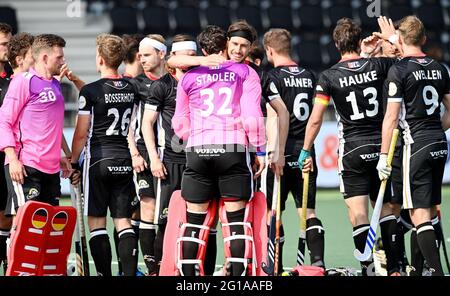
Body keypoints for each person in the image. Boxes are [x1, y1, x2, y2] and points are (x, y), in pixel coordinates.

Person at [299, 18, 400, 276]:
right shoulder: (379, 64)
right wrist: (389, 40)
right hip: (382, 146)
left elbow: (316, 118)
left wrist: (306, 148)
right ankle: (395, 267)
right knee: (388, 210)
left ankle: (367, 268)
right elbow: (401, 58)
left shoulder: (329, 76)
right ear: (358, 42)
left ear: (335, 44)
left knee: (358, 214)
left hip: (353, 150)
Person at [172, 25, 266, 276]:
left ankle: (189, 279)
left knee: (194, 222)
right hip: (233, 150)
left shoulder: (189, 77)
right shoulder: (245, 72)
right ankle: (237, 278)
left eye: (242, 46)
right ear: (226, 44)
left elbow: (179, 120)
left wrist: (192, 139)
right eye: (234, 45)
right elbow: (252, 117)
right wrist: (259, 151)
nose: (238, 49)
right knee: (236, 223)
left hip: (198, 149)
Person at [376, 15, 450, 276]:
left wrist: (384, 156)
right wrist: (434, 130)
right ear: (425, 39)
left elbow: (392, 117)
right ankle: (420, 270)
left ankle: (437, 273)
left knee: (419, 216)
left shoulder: (399, 70)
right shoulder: (440, 68)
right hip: (439, 143)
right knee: (428, 211)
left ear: (402, 39)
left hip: (414, 145)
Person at [70, 34, 138, 276]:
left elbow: (80, 135)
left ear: (99, 59)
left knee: (97, 223)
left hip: (98, 160)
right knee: (123, 222)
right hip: (124, 160)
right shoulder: (132, 88)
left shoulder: (90, 91)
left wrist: (73, 163)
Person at [263, 28, 325, 270]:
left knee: (273, 213)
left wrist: (274, 151)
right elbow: (314, 117)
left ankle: (275, 267)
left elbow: (274, 117)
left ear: (269, 50)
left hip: (280, 151)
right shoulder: (310, 76)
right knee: (308, 212)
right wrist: (307, 149)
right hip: (304, 151)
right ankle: (318, 264)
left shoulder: (271, 77)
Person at [141, 34, 196, 275]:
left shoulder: (204, 82)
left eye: (194, 56)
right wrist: (153, 157)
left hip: (198, 161)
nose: (191, 60)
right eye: (187, 56)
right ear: (174, 56)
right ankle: (159, 270)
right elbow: (147, 124)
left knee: (199, 222)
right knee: (163, 221)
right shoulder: (162, 85)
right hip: (169, 161)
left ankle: (195, 271)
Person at [0, 33, 68, 217]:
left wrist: (63, 156)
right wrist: (12, 159)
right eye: (59, 57)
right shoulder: (23, 81)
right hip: (26, 166)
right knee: (26, 226)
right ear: (45, 58)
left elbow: (52, 127)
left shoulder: (55, 84)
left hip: (51, 169)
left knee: (46, 230)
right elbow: (4, 121)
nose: (63, 60)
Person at [128, 34, 167, 275]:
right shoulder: (135, 85)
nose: (141, 59)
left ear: (161, 54)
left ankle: (165, 265)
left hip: (170, 154)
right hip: (143, 154)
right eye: (140, 55)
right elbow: (128, 124)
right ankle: (153, 268)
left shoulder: (174, 81)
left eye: (146, 54)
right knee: (148, 208)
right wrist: (134, 153)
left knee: (165, 212)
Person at [112, 33, 144, 276]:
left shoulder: (118, 82)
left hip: (118, 156)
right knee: (132, 215)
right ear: (140, 57)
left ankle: (127, 269)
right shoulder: (136, 85)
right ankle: (130, 270)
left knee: (124, 215)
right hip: (134, 157)